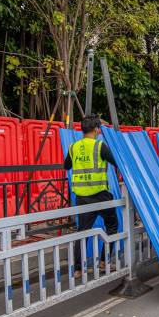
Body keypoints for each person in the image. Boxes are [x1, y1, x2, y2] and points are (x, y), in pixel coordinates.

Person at [64, 114, 118, 278]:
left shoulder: (73, 147)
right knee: (112, 227)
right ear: (96, 129)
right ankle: (103, 262)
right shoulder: (99, 146)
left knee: (82, 232)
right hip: (101, 195)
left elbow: (66, 166)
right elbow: (117, 162)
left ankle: (78, 269)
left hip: (81, 197)